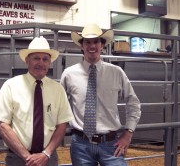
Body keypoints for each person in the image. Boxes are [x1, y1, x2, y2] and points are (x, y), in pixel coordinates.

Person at [60, 24, 141, 166]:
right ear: (81, 45)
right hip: (80, 145)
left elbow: (133, 102)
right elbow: (59, 105)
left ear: (102, 45)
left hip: (111, 144)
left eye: (96, 41)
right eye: (87, 42)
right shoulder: (68, 74)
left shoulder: (116, 73)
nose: (92, 46)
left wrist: (128, 133)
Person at [0, 36, 74, 166]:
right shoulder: (11, 86)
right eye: (36, 58)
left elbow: (62, 125)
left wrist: (46, 154)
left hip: (48, 158)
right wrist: (27, 156)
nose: (41, 63)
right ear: (27, 60)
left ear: (49, 63)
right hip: (18, 158)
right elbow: (2, 125)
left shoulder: (58, 90)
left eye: (45, 59)